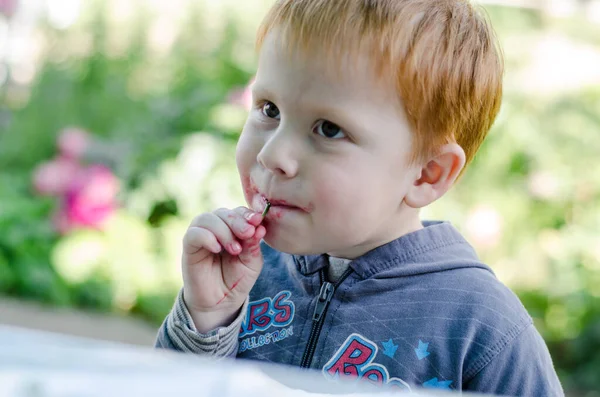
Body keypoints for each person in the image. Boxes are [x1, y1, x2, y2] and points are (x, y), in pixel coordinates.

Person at [155, 0, 564, 395]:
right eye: (269, 110)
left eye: (328, 129)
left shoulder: (480, 327)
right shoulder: (245, 276)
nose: (271, 154)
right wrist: (206, 321)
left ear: (427, 173)